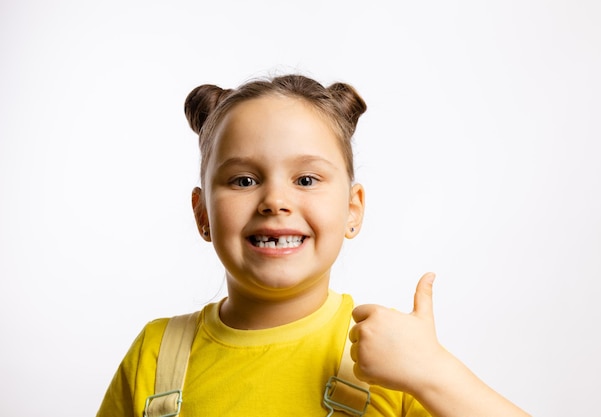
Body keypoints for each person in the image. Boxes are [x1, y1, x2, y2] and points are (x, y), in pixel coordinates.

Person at [96, 74, 530, 416]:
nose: (275, 201)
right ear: (202, 214)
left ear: (352, 210)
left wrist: (435, 372)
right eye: (244, 180)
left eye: (306, 179)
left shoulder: (391, 357)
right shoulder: (155, 355)